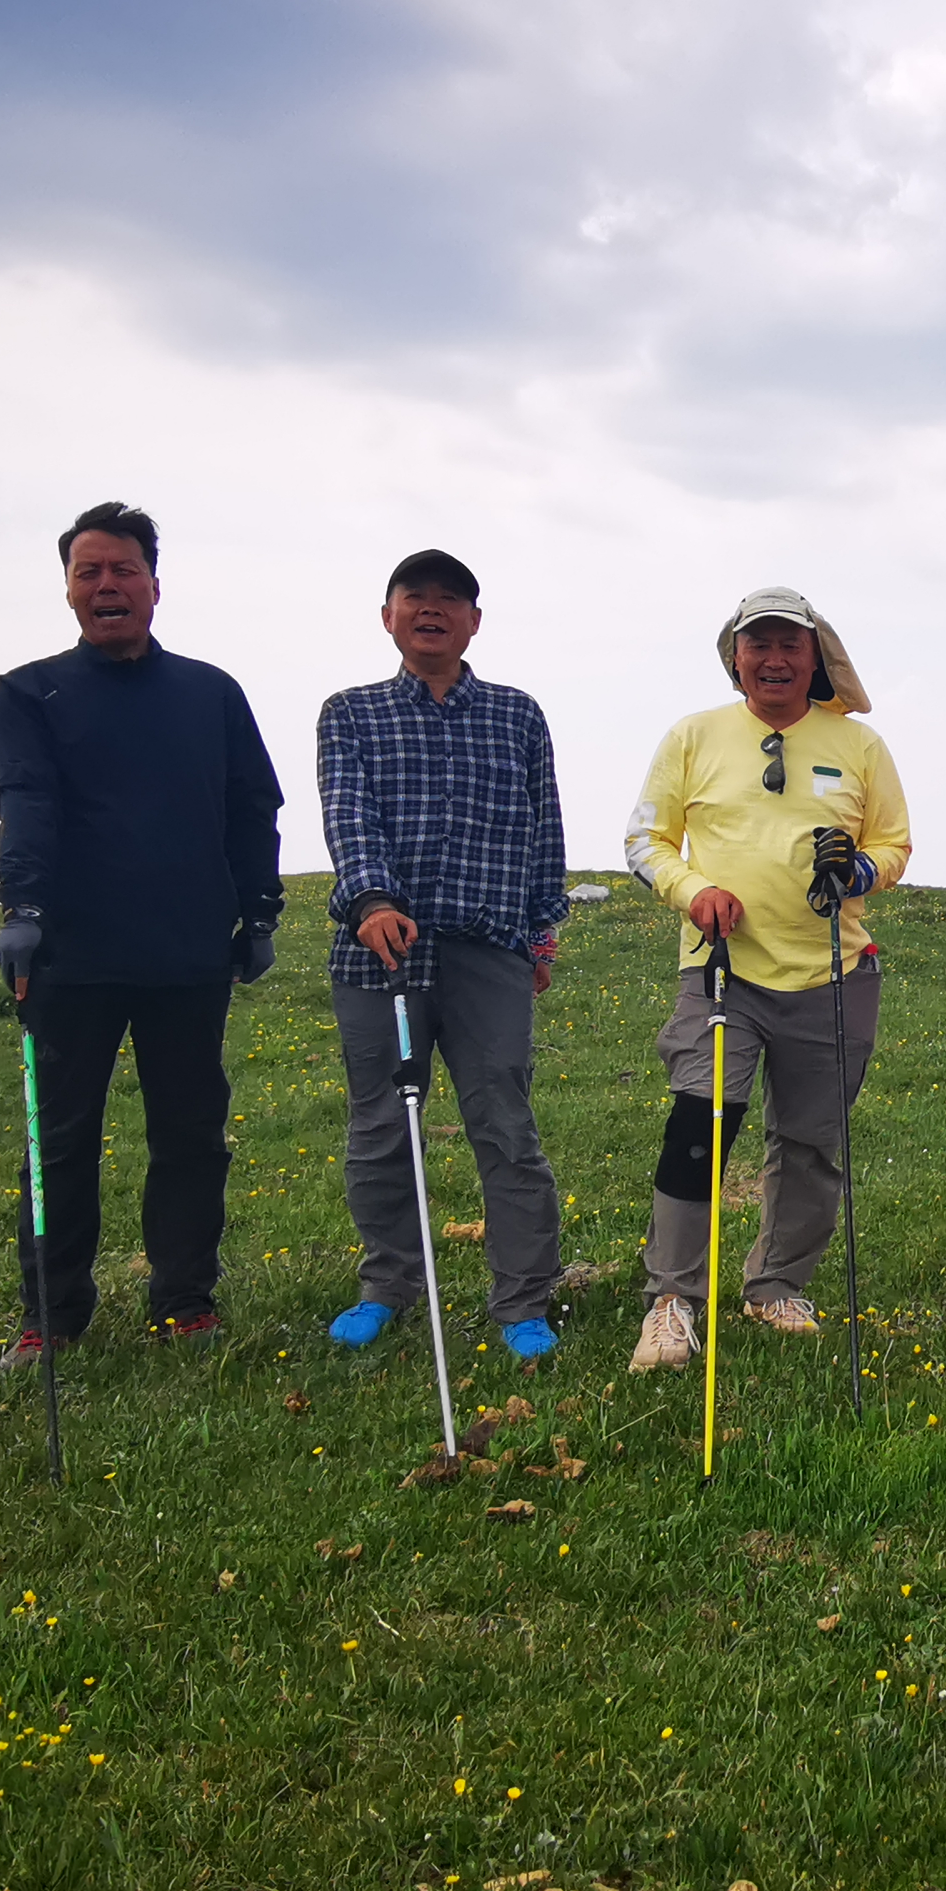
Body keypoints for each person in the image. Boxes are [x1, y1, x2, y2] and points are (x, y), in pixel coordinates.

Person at [0, 501, 284, 1365]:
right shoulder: (27, 694)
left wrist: (258, 914)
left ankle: (184, 1299)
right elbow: (26, 803)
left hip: (188, 952)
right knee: (62, 1136)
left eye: (124, 571)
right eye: (89, 572)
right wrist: (24, 910)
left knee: (190, 1133)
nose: (107, 586)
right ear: (69, 589)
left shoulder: (210, 692)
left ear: (155, 585)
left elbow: (251, 806)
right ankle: (52, 1314)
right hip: (70, 956)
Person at [620, 587, 912, 1373]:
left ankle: (778, 1283)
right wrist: (693, 892)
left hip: (834, 972)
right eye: (759, 644)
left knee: (813, 1143)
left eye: (792, 644)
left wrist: (856, 872)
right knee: (700, 1125)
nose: (775, 658)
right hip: (722, 971)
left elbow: (894, 847)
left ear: (816, 657)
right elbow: (645, 841)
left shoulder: (859, 745)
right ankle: (671, 1303)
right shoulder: (693, 735)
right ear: (735, 656)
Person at [316, 550, 575, 1370]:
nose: (432, 611)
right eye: (414, 598)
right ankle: (385, 1286)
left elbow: (545, 831)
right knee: (381, 1127)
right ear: (387, 616)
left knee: (505, 1123)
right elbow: (347, 816)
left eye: (450, 600)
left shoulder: (516, 714)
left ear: (474, 621)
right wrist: (371, 901)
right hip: (378, 953)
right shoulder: (349, 713)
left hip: (488, 952)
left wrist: (540, 933)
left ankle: (523, 1298)